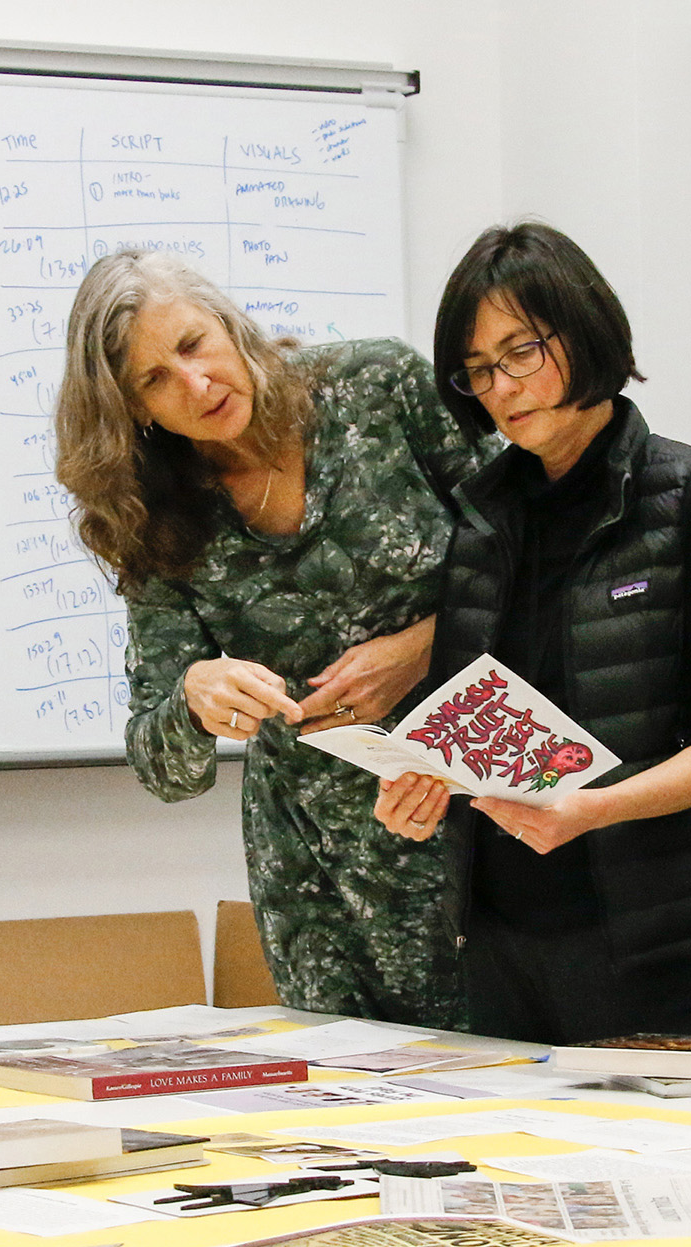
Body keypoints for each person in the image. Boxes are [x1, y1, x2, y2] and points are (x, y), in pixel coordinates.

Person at [373, 221, 691, 1043]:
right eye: (479, 370)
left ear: (585, 328)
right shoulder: (480, 518)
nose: (502, 387)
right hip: (496, 934)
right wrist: (422, 789)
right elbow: (466, 723)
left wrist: (592, 808)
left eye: (521, 351)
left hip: (649, 938)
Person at [55, 249, 494, 1028]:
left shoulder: (379, 388)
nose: (195, 384)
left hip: (480, 821)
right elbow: (164, 768)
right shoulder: (156, 515)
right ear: (136, 413)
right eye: (153, 380)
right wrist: (192, 700)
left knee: (517, 1086)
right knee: (356, 1117)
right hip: (320, 875)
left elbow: (531, 559)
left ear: (229, 323)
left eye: (192, 345)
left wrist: (423, 646)